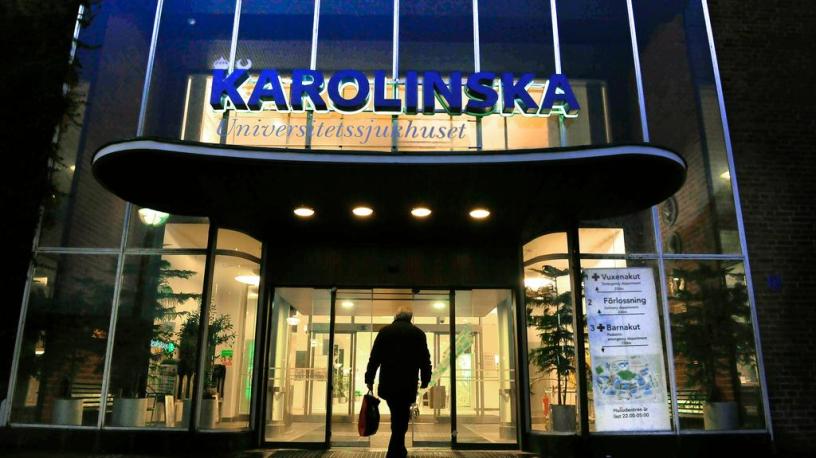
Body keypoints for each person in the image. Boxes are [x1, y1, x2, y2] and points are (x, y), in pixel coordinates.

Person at [365, 305, 432, 458]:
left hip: (389, 384)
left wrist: (369, 379)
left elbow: (374, 358)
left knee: (398, 416)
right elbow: (425, 360)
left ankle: (397, 450)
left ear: (396, 316)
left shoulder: (385, 332)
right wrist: (426, 380)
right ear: (410, 317)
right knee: (400, 417)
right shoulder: (418, 334)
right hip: (408, 384)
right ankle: (396, 450)